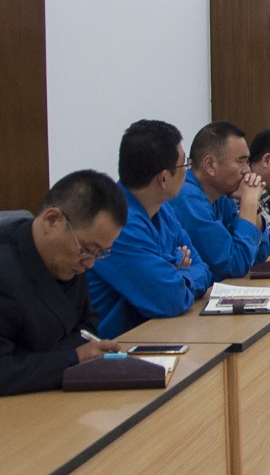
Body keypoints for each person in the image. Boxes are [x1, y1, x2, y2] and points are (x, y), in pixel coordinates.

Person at [0, 170, 129, 417]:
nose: (90, 263)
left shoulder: (70, 258)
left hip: (39, 398)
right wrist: (70, 359)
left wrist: (65, 356)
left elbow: (86, 325)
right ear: (52, 220)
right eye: (87, 249)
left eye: (100, 253)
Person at [87, 119, 213, 337]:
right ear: (163, 178)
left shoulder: (162, 209)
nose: (187, 171)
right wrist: (175, 269)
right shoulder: (118, 223)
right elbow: (170, 299)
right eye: (184, 165)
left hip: (159, 330)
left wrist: (174, 274)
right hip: (118, 343)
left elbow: (203, 269)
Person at [172, 121, 270, 281]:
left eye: (247, 162)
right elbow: (237, 264)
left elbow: (259, 256)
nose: (247, 170)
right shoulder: (188, 199)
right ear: (210, 165)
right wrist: (249, 202)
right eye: (240, 161)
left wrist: (254, 206)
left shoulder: (221, 195)